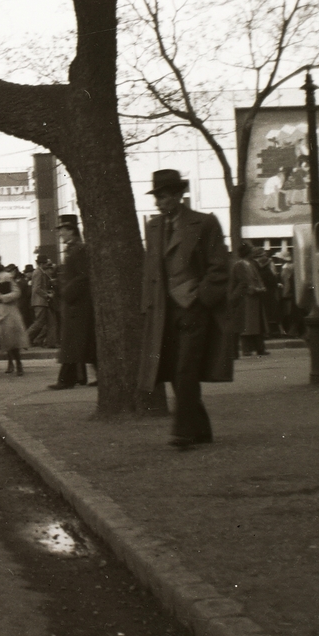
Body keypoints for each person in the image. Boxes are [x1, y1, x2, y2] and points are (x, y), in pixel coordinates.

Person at [136, 169, 232, 449]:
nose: (159, 202)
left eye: (164, 196)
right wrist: (148, 306)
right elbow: (151, 270)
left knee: (185, 369)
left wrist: (201, 299)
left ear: (179, 195)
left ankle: (183, 431)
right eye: (157, 197)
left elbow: (219, 267)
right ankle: (201, 429)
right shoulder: (154, 227)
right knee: (174, 370)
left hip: (193, 309)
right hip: (163, 311)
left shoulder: (204, 223)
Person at [50, 214, 96, 388]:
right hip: (75, 303)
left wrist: (67, 291)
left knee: (74, 343)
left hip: (78, 304)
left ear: (71, 230)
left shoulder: (78, 249)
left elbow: (83, 276)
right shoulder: (73, 249)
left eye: (62, 230)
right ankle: (79, 377)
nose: (60, 233)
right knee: (83, 343)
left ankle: (67, 379)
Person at [0, 256, 29, 377]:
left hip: (7, 313)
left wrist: (2, 297)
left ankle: (18, 363)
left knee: (11, 342)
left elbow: (16, 292)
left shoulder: (5, 276)